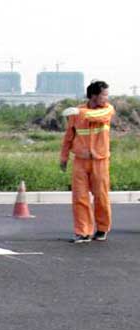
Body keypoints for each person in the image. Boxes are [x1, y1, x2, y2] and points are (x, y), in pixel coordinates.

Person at [60, 80, 115, 243]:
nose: (106, 97)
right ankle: (83, 232)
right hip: (80, 161)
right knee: (80, 197)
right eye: (104, 94)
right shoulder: (77, 115)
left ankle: (102, 228)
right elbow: (68, 137)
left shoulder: (107, 109)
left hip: (100, 161)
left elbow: (99, 116)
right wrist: (63, 158)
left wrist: (78, 112)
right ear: (94, 95)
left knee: (101, 196)